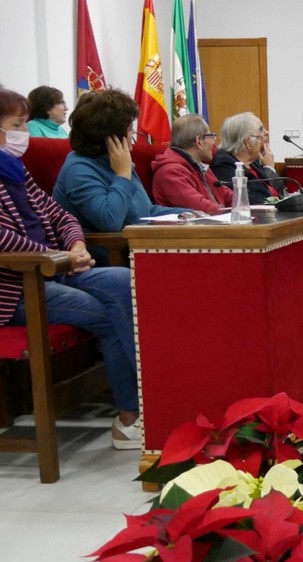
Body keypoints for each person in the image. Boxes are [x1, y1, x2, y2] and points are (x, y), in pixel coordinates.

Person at [0, 87, 140, 449]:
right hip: (16, 288)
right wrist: (58, 255)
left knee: (125, 281)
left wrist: (75, 244)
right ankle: (132, 416)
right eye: (17, 125)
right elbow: (3, 239)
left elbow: (59, 214)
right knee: (110, 313)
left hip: (54, 268)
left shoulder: (14, 170)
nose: (25, 134)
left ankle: (143, 404)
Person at [53, 89, 186, 237]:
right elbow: (110, 221)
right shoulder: (78, 170)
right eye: (129, 130)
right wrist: (122, 175)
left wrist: (190, 214)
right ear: (111, 136)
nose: (133, 135)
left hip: (138, 244)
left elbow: (145, 212)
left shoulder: (116, 160)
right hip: (107, 250)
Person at [151, 114, 232, 212]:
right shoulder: (170, 172)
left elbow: (228, 196)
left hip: (219, 220)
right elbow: (201, 208)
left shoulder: (200, 166)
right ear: (199, 141)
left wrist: (242, 206)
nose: (213, 143)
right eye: (211, 137)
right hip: (203, 221)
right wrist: (233, 212)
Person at [210, 112, 285, 205]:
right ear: (248, 142)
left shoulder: (253, 162)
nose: (267, 133)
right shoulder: (224, 165)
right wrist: (269, 169)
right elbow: (250, 200)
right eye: (261, 130)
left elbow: (278, 191)